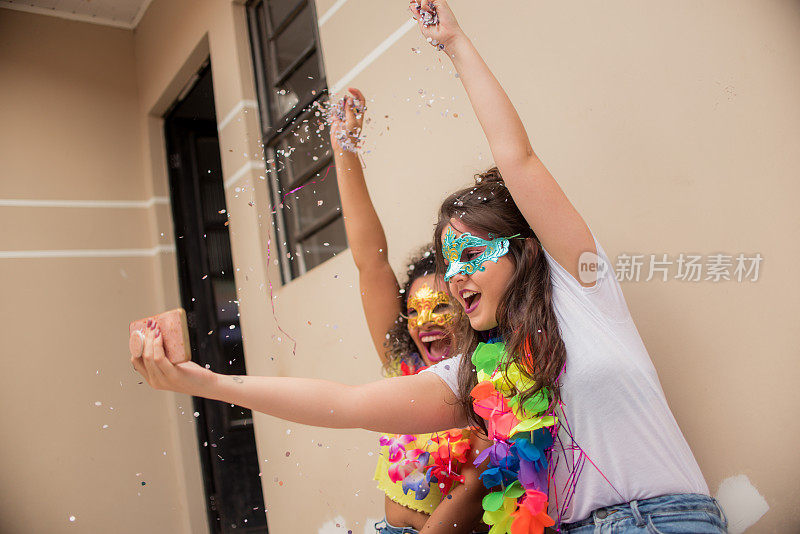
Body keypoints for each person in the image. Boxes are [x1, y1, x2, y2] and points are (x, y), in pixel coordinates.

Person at [132, 1, 727, 532]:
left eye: (470, 255)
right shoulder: (472, 376)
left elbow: (516, 158)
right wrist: (205, 383)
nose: (456, 275)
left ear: (523, 248)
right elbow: (346, 403)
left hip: (665, 519)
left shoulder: (583, 289)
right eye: (447, 262)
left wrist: (455, 42)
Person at [329, 88, 488, 533]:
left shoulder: (493, 386)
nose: (425, 323)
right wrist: (345, 148)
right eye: (414, 312)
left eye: (440, 306)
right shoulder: (404, 368)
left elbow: (475, 489)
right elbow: (371, 262)